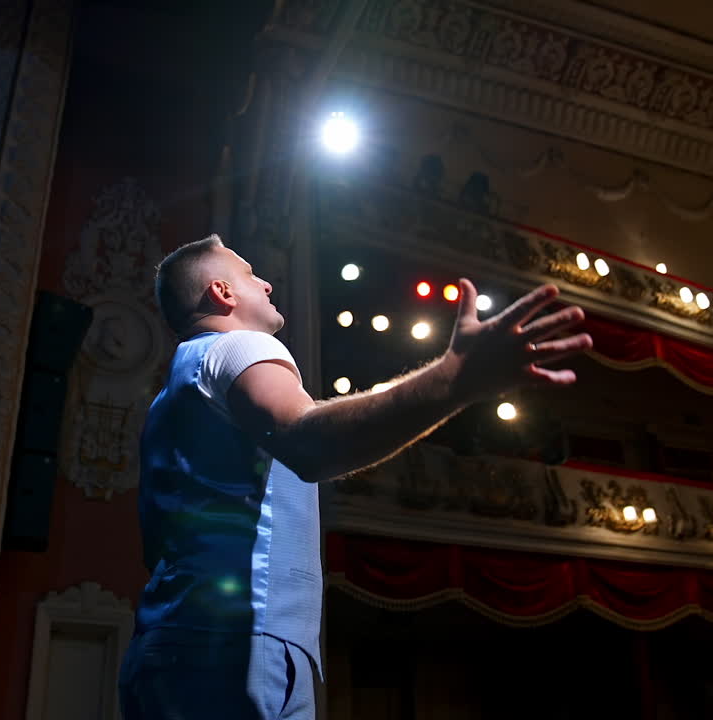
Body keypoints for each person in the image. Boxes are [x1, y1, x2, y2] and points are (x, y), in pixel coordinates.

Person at [119, 234, 592, 719]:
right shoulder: (238, 346)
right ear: (223, 292)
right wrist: (455, 380)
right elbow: (307, 442)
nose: (265, 282)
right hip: (233, 639)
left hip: (175, 641)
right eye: (249, 273)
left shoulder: (172, 394)